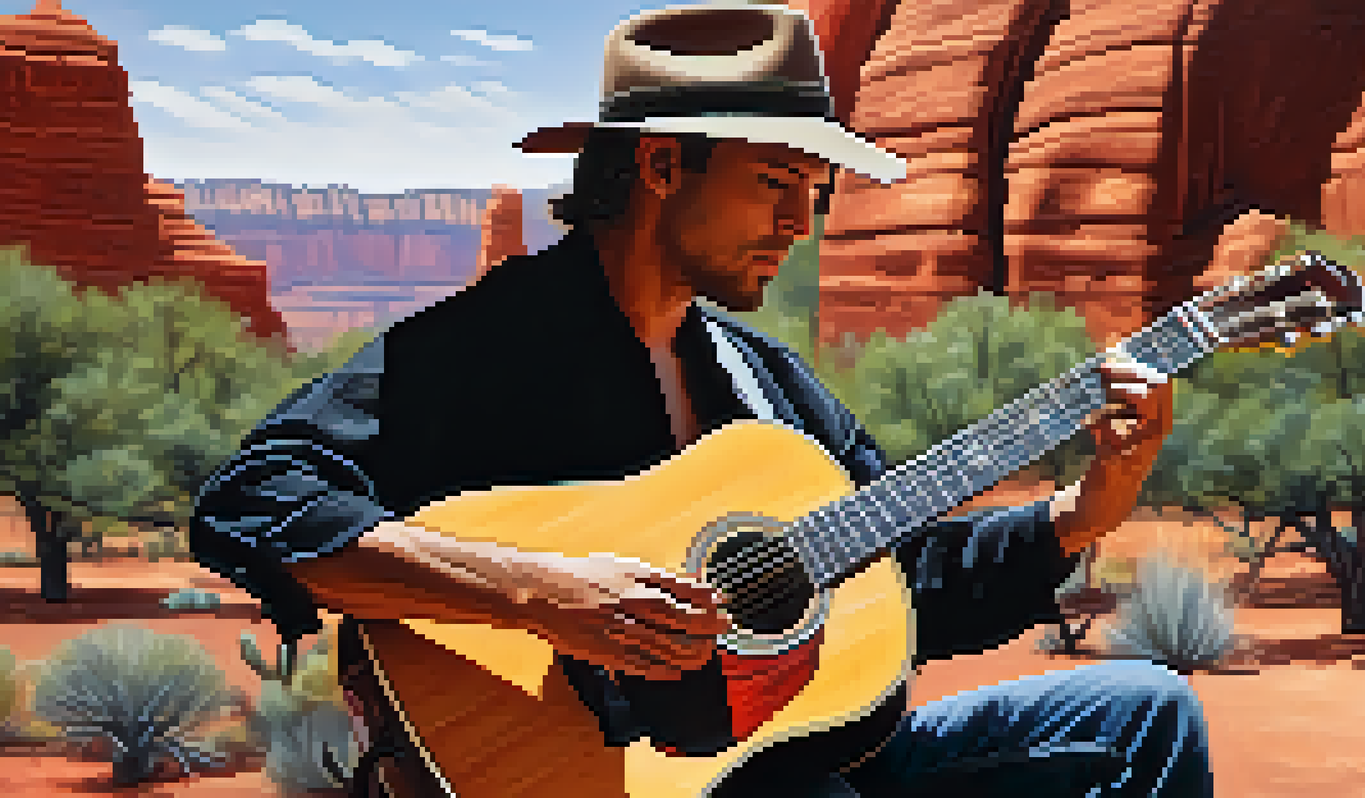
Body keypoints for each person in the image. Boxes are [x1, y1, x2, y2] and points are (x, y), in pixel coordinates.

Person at [191, 4, 1214, 797]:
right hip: (590, 776)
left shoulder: (760, 378)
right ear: (661, 163)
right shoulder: (486, 346)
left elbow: (899, 583)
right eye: (776, 181)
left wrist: (1086, 509)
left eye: (813, 192)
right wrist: (539, 593)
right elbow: (252, 502)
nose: (798, 222)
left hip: (779, 763)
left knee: (1146, 715)